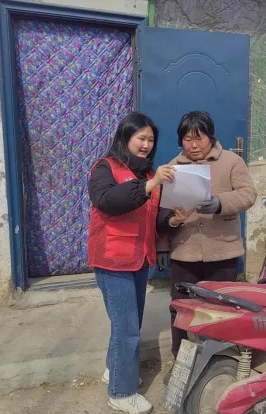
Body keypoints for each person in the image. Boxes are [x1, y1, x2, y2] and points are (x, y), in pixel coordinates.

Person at [88, 112, 189, 414]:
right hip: (112, 258)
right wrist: (151, 183)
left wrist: (173, 220)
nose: (146, 145)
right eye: (140, 138)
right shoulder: (105, 168)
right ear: (125, 137)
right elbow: (108, 201)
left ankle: (114, 370)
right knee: (128, 328)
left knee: (126, 324)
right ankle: (121, 393)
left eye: (151, 140)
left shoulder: (149, 174)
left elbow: (153, 218)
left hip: (138, 258)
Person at [156, 111, 257, 383]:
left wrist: (220, 202)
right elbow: (161, 211)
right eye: (187, 139)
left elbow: (248, 194)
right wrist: (163, 245)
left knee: (221, 308)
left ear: (211, 137)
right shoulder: (172, 168)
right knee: (181, 308)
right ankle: (180, 361)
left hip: (222, 250)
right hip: (184, 251)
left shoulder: (231, 161)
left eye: (199, 138)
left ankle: (220, 362)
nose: (194, 145)